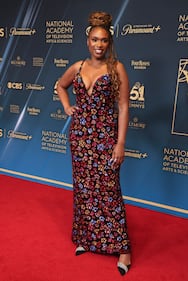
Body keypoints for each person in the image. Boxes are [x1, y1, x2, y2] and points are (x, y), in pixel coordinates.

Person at [57, 11, 131, 276]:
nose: (99, 45)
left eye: (103, 40)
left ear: (109, 42)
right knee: (85, 191)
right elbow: (60, 85)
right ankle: (87, 239)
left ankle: (123, 249)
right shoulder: (77, 67)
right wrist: (67, 107)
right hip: (80, 138)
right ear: (87, 41)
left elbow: (123, 106)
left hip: (105, 139)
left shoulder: (116, 68)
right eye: (94, 40)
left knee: (109, 193)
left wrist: (120, 143)